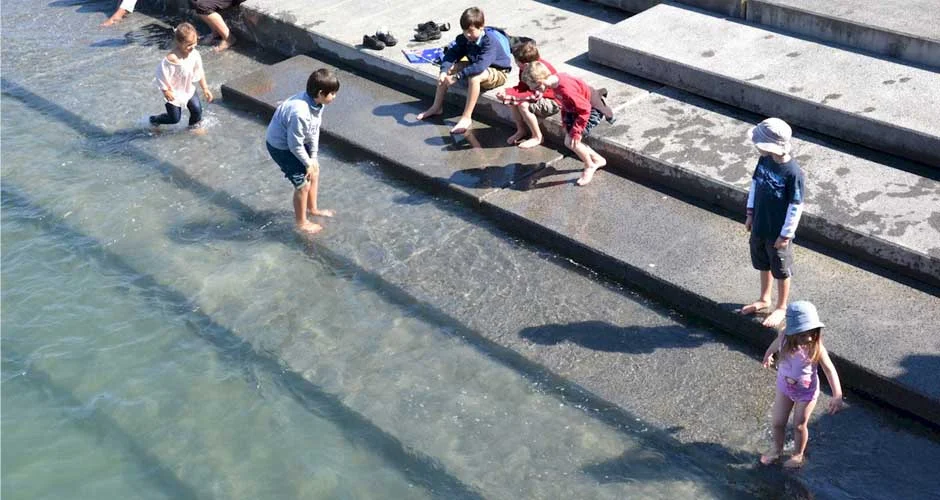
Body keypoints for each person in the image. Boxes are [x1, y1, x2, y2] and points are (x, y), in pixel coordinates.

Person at [760, 301, 843, 468]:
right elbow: (775, 344)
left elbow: (829, 370)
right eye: (804, 334)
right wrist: (768, 354)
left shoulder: (815, 347)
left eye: (813, 332)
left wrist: (837, 395)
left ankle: (798, 454)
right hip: (785, 388)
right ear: (792, 332)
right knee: (777, 422)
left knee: (799, 425)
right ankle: (777, 448)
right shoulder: (784, 337)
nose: (810, 338)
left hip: (806, 393)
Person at [740, 118, 804, 328]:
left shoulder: (793, 173)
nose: (756, 146)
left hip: (778, 231)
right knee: (763, 262)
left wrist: (786, 235)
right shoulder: (764, 161)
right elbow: (755, 186)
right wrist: (750, 213)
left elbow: (796, 205)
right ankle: (764, 298)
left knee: (781, 267)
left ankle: (781, 306)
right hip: (760, 224)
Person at [498, 39, 613, 149]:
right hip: (538, 96)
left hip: (553, 101)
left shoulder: (540, 74)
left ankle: (537, 136)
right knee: (513, 101)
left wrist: (514, 96)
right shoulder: (527, 70)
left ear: (526, 64)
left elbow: (534, 94)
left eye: (518, 63)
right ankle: (521, 130)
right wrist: (508, 93)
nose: (517, 65)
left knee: (523, 105)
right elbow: (523, 87)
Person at [265, 68, 339, 234]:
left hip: (296, 140)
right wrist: (306, 163)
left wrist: (313, 158)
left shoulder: (318, 103)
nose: (334, 97)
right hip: (280, 146)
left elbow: (314, 131)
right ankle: (301, 222)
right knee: (302, 185)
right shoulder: (300, 112)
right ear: (320, 92)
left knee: (315, 171)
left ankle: (313, 209)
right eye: (332, 93)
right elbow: (294, 145)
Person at [416, 7, 512, 135]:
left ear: (481, 27)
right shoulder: (464, 39)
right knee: (449, 68)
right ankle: (436, 107)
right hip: (475, 64)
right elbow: (451, 54)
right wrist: (444, 71)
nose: (467, 34)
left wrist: (457, 77)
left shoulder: (490, 42)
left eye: (471, 31)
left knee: (475, 77)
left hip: (498, 71)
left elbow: (480, 66)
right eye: (465, 30)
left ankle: (466, 117)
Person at [521, 61, 607, 186]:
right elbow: (566, 104)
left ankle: (589, 165)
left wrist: (576, 132)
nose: (534, 91)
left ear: (540, 83)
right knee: (572, 139)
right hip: (576, 109)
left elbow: (585, 109)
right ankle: (598, 159)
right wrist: (565, 120)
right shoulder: (556, 80)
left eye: (534, 87)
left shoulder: (565, 90)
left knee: (571, 141)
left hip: (591, 110)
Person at [150, 22, 213, 130]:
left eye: (194, 43)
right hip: (174, 93)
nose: (192, 47)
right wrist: (165, 91)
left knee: (197, 109)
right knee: (174, 118)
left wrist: (205, 89)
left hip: (188, 89)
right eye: (189, 45)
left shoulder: (195, 54)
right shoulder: (172, 58)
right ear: (178, 42)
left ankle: (193, 127)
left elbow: (200, 71)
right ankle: (155, 119)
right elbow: (160, 73)